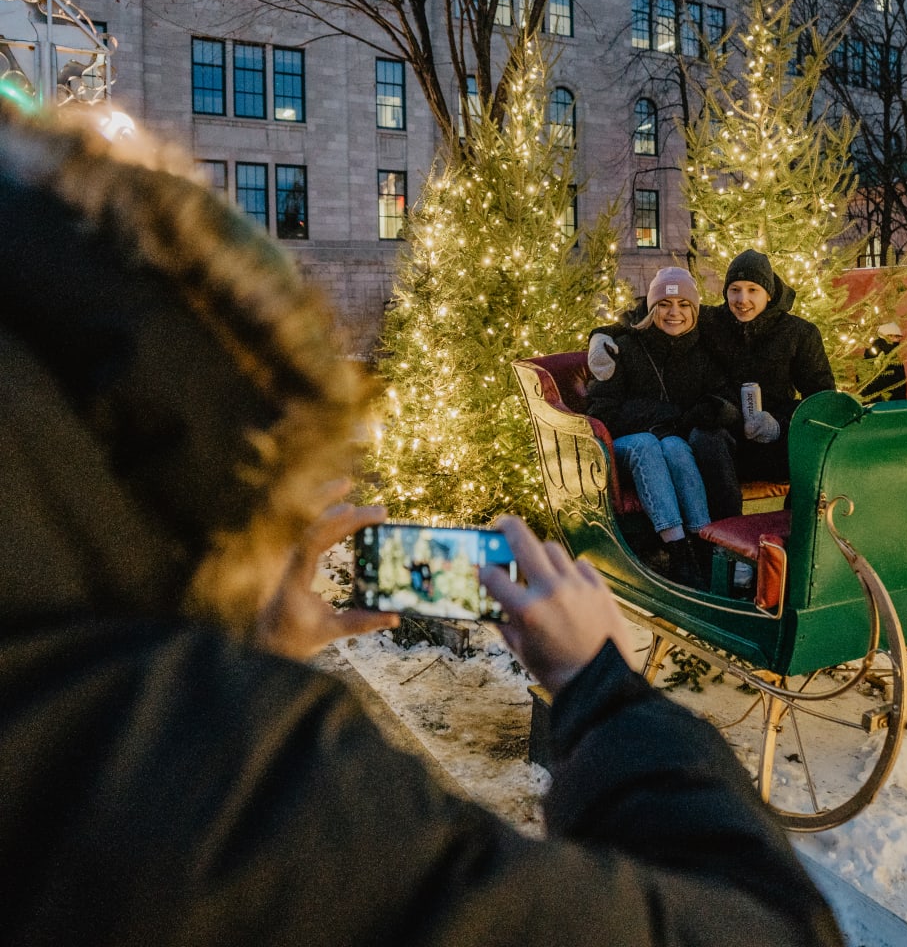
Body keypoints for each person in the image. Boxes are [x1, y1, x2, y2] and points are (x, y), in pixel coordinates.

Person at [0, 108, 843, 946]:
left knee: (688, 451)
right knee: (662, 453)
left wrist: (223, 635)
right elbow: (768, 930)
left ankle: (695, 537)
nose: (684, 309)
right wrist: (605, 688)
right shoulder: (225, 782)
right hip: (636, 454)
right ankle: (678, 544)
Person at [589, 249, 836, 494]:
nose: (742, 299)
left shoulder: (799, 334)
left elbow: (823, 400)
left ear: (769, 294)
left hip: (775, 438)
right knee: (705, 438)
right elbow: (651, 312)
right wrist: (601, 336)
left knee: (815, 454)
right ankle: (721, 527)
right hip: (728, 433)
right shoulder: (713, 320)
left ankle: (799, 526)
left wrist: (780, 425)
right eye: (735, 289)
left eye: (753, 290)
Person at [586, 266, 740, 585]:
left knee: (673, 446)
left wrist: (708, 411)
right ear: (653, 308)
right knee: (648, 444)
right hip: (624, 448)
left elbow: (723, 396)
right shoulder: (626, 347)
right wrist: (664, 414)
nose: (674, 313)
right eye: (665, 305)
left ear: (694, 311)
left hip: (672, 444)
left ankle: (701, 541)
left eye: (684, 305)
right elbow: (603, 412)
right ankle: (678, 549)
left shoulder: (702, 352)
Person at [860, 322, 907, 403]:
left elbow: (901, 388)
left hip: (892, 408)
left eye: (897, 337)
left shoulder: (895, 359)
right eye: (890, 336)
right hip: (877, 408)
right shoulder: (870, 359)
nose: (895, 340)